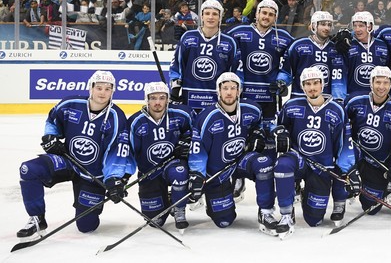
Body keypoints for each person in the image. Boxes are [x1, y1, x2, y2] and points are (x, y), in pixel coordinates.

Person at [17, 71, 134, 239]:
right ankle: (37, 219)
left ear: (112, 92)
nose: (103, 92)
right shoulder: (70, 104)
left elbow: (118, 152)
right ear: (90, 88)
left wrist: (114, 179)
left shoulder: (117, 117)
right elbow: (52, 121)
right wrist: (50, 137)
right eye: (99, 87)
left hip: (93, 174)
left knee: (86, 226)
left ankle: (87, 209)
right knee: (29, 169)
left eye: (108, 89)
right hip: (68, 161)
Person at [188, 72, 288, 237]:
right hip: (218, 170)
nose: (229, 92)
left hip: (242, 160)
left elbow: (262, 125)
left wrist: (260, 133)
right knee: (224, 221)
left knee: (264, 163)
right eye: (225, 88)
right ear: (218, 91)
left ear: (239, 91)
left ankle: (266, 212)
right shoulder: (206, 118)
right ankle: (215, 202)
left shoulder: (252, 109)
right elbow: (198, 151)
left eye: (233, 88)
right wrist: (197, 175)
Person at [273, 67, 359, 228]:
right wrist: (280, 133)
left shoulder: (337, 110)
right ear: (302, 86)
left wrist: (350, 170)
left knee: (314, 221)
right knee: (282, 166)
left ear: (322, 85)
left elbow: (345, 144)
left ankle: (308, 195)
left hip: (322, 166)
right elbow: (276, 126)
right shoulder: (291, 105)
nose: (311, 88)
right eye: (307, 84)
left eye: (315, 83)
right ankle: (285, 214)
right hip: (298, 159)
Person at [227, 0, 294, 199]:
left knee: (268, 138)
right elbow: (231, 59)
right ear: (256, 14)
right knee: (240, 138)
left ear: (275, 18)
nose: (266, 17)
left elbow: (287, 66)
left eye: (271, 14)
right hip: (244, 98)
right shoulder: (238, 32)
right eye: (263, 13)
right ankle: (237, 177)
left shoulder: (283, 37)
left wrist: (282, 82)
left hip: (269, 99)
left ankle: (268, 175)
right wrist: (236, 85)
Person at [128, 82, 195, 231]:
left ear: (167, 99)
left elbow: (197, 133)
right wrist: (122, 178)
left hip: (173, 165)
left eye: (162, 97)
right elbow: (128, 153)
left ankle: (179, 209)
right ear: (146, 99)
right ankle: (170, 198)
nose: (158, 102)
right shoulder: (135, 122)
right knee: (155, 221)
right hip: (149, 173)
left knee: (180, 172)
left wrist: (187, 141)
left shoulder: (181, 114)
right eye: (153, 98)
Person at [344, 66, 391, 213]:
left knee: (370, 208)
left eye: (386, 83)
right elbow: (341, 127)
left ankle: (385, 187)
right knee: (343, 186)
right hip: (356, 155)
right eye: (378, 82)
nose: (381, 87)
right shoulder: (354, 100)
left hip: (378, 162)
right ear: (371, 82)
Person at [169, 0, 240, 112]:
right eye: (207, 13)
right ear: (201, 16)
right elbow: (177, 64)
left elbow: (234, 71)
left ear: (220, 17)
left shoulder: (230, 42)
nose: (210, 17)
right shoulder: (188, 37)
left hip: (217, 99)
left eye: (215, 14)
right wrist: (175, 88)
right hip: (190, 96)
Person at [342, 11, 389, 100]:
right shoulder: (347, 45)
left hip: (377, 97)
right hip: (353, 96)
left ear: (370, 26)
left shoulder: (382, 45)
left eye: (361, 26)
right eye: (355, 26)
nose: (357, 29)